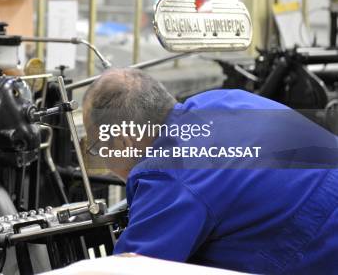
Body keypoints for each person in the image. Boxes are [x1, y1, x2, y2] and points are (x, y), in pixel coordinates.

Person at [82, 68, 338, 274]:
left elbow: (130, 270)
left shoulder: (169, 175)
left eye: (96, 147)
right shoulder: (224, 99)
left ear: (124, 142)